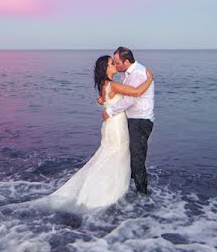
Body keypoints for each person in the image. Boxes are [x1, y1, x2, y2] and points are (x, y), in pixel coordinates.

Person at [35, 55, 153, 211]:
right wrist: (149, 79)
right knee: (116, 156)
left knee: (110, 155)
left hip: (110, 125)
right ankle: (106, 193)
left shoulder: (103, 85)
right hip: (117, 126)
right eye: (112, 64)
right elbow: (137, 93)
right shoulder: (114, 85)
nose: (115, 66)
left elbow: (107, 101)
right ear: (105, 69)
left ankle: (108, 188)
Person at [102, 46, 154, 195]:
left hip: (140, 121)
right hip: (132, 120)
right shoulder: (126, 74)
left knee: (137, 158)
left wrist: (110, 111)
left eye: (117, 62)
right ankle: (128, 186)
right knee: (130, 155)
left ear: (126, 61)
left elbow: (131, 98)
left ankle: (142, 195)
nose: (116, 66)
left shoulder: (137, 73)